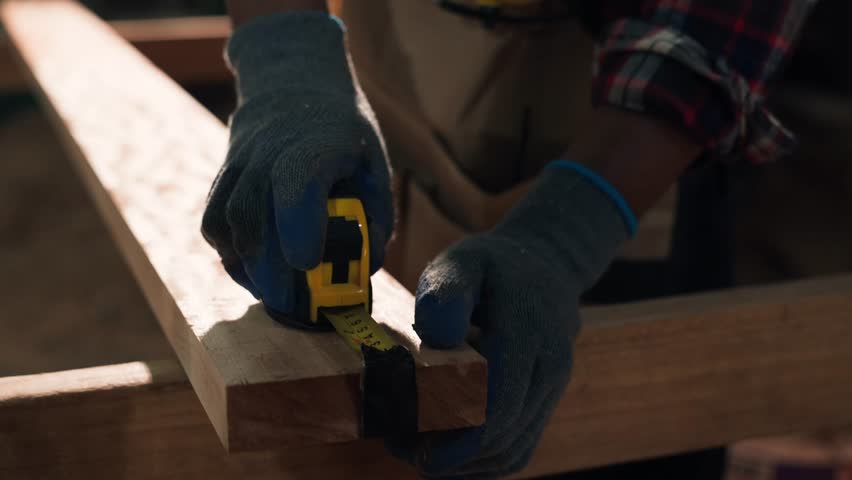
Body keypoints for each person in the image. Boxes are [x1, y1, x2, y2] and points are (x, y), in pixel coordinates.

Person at [200, 1, 815, 478]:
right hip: (402, 132)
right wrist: (287, 57)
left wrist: (569, 229)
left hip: (635, 176)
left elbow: (715, 28)